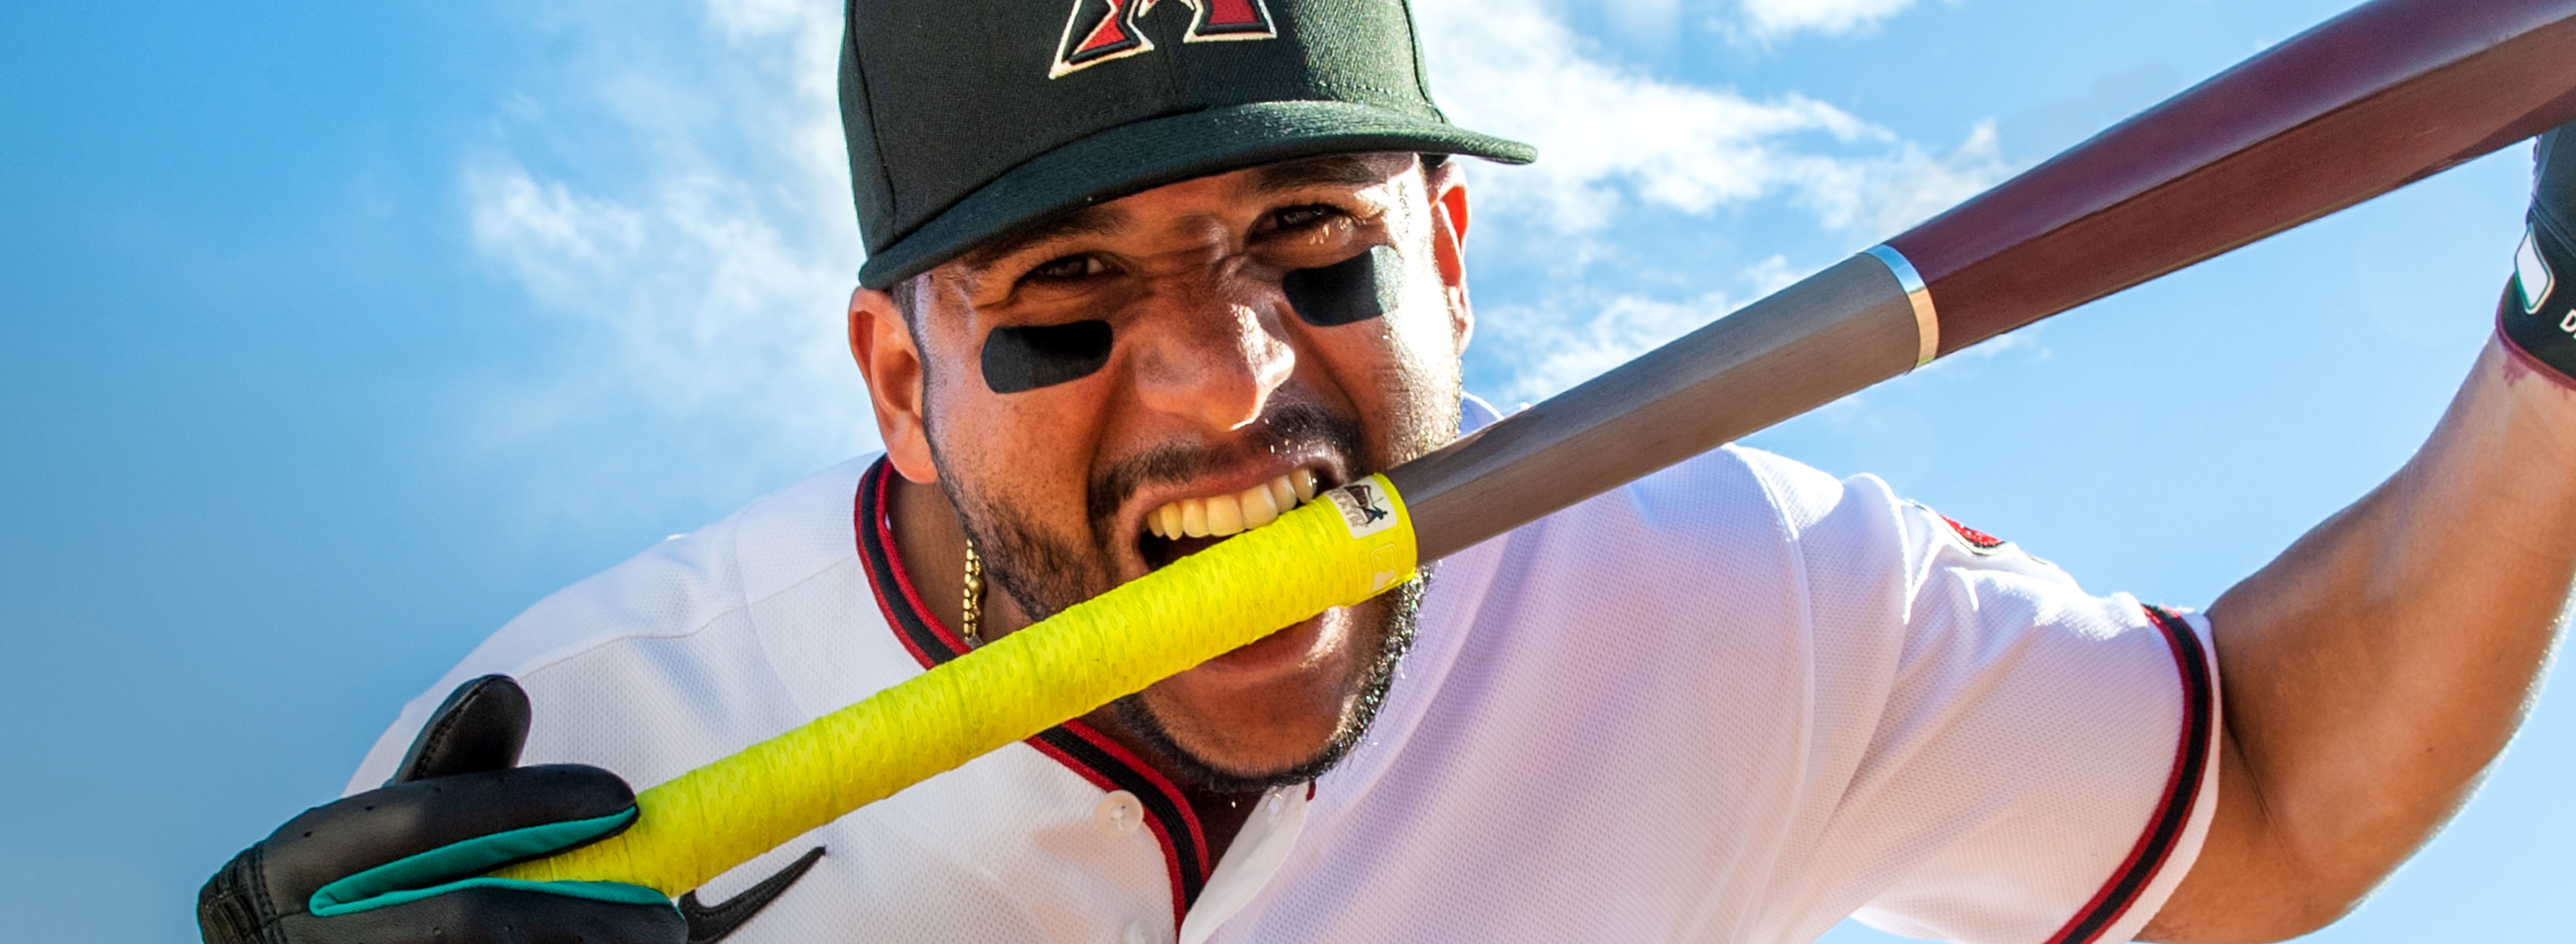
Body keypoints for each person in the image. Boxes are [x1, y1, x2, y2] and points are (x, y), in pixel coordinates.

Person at [198, 1, 2576, 942]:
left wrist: (2560, 339)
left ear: (1450, 251)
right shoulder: (572, 757)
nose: (1230, 389)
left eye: (1311, 248)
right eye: (1064, 298)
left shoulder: (1721, 590)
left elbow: (2266, 784)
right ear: (895, 376)